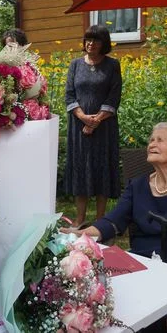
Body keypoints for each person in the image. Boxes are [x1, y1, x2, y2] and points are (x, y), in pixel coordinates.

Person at [63, 123, 167, 333]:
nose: (152, 144)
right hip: (145, 262)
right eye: (151, 140)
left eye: (160, 140)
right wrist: (78, 233)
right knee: (120, 314)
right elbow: (112, 221)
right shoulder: (137, 185)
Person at [64, 24, 122, 227]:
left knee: (101, 169)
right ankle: (79, 219)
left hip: (104, 129)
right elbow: (70, 95)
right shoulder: (75, 65)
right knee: (81, 169)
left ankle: (100, 220)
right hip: (79, 129)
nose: (91, 43)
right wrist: (83, 118)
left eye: (96, 40)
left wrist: (97, 120)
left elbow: (114, 95)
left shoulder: (112, 65)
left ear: (103, 43)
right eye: (88, 39)